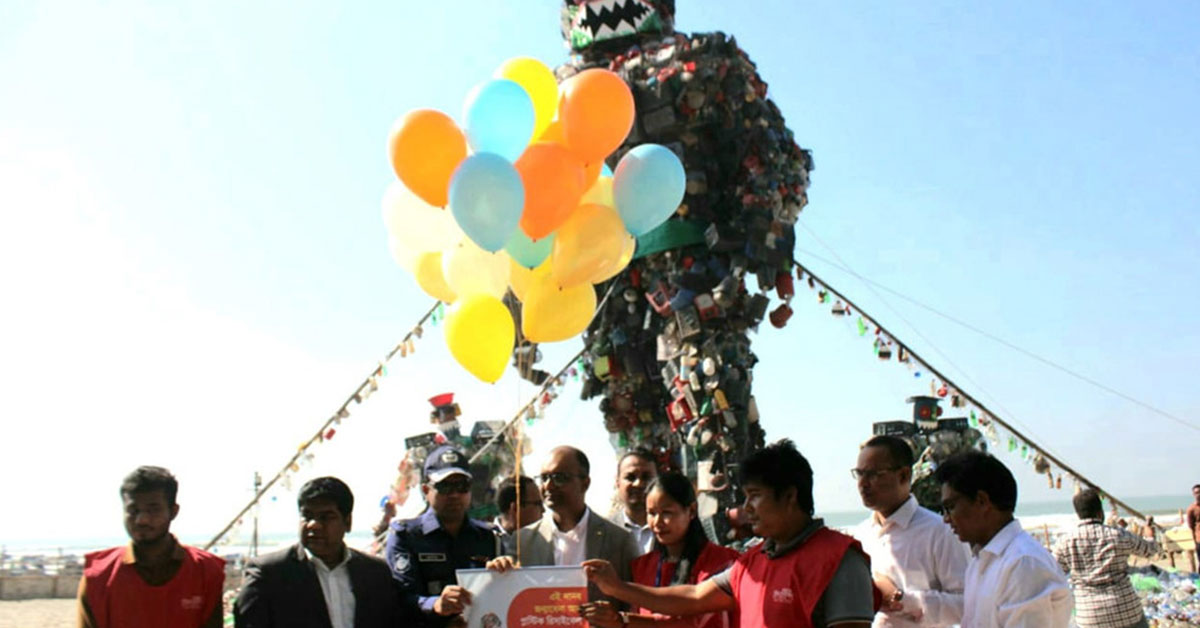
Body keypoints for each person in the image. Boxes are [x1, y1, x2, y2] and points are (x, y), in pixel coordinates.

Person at [582, 439, 877, 628]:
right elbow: (694, 597)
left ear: (789, 496)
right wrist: (617, 588)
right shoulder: (752, 561)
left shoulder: (839, 560)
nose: (746, 507)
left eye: (755, 495)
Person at [235, 476, 412, 628]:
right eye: (307, 516)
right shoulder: (268, 574)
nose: (313, 525)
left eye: (326, 517)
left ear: (347, 522)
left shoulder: (375, 573)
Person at [580, 472, 740, 628]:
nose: (657, 522)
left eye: (666, 513)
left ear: (691, 510)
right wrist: (614, 618)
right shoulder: (642, 565)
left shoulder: (723, 561)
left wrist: (619, 599)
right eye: (651, 513)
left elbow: (694, 622)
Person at [935, 451, 1072, 627]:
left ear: (982, 501)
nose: (946, 519)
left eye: (950, 507)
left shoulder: (1023, 563)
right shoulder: (981, 561)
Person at [487, 446, 638, 605]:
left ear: (585, 483)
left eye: (559, 478)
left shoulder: (618, 539)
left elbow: (633, 602)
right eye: (544, 478)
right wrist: (499, 573)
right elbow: (510, 600)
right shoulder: (524, 540)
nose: (549, 486)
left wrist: (615, 618)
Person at [78, 466, 225, 628]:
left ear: (173, 511)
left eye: (153, 510)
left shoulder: (205, 571)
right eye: (133, 510)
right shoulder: (99, 575)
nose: (142, 520)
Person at [850, 435, 968, 627]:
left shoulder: (940, 531)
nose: (863, 484)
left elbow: (966, 605)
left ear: (903, 475)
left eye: (873, 474)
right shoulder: (861, 535)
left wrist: (900, 600)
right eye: (860, 473)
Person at [386, 445, 500, 627]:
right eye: (445, 487)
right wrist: (436, 605)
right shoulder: (405, 536)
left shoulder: (489, 537)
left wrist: (505, 574)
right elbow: (401, 599)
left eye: (462, 486)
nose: (454, 494)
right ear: (425, 490)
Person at [1054, 488, 1160, 628]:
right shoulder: (1118, 535)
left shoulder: (1065, 542)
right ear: (1100, 512)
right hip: (1125, 610)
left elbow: (1054, 572)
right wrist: (1149, 534)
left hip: (1090, 615)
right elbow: (1150, 550)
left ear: (1078, 514)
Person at [611, 450, 659, 555]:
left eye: (646, 477)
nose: (638, 484)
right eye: (630, 477)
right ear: (617, 482)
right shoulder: (605, 532)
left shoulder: (674, 530)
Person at [1187, 484, 1200, 567]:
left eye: (1199, 492)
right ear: (1193, 495)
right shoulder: (1191, 509)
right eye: (1196, 493)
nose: (1198, 495)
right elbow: (1191, 525)